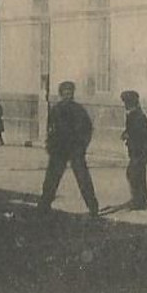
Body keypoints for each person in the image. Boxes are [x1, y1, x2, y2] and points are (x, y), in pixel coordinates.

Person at [37, 81, 100, 216]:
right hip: (59, 149)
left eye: (70, 93)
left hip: (75, 149)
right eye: (65, 93)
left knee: (83, 177)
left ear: (73, 94)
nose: (67, 96)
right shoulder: (55, 109)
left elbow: (87, 129)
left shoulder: (79, 110)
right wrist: (50, 145)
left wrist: (82, 146)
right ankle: (44, 204)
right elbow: (51, 129)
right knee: (52, 177)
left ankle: (93, 207)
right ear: (61, 94)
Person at [120, 90, 147, 210]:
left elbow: (139, 134)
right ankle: (141, 198)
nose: (125, 105)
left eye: (126, 103)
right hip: (139, 149)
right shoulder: (133, 114)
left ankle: (138, 200)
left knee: (133, 173)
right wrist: (126, 133)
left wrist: (128, 135)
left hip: (141, 149)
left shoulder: (137, 116)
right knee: (137, 173)